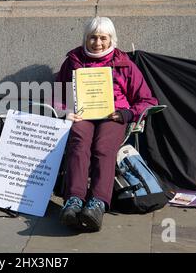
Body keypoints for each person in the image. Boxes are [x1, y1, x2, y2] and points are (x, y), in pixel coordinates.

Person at [54, 17, 158, 231]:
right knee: (79, 143)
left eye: (103, 38)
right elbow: (57, 94)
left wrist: (126, 114)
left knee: (103, 148)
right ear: (85, 38)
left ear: (112, 39)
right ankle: (74, 200)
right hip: (82, 115)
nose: (98, 43)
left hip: (113, 116)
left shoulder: (124, 63)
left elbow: (147, 100)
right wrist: (65, 111)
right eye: (93, 37)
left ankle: (97, 203)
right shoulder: (73, 60)